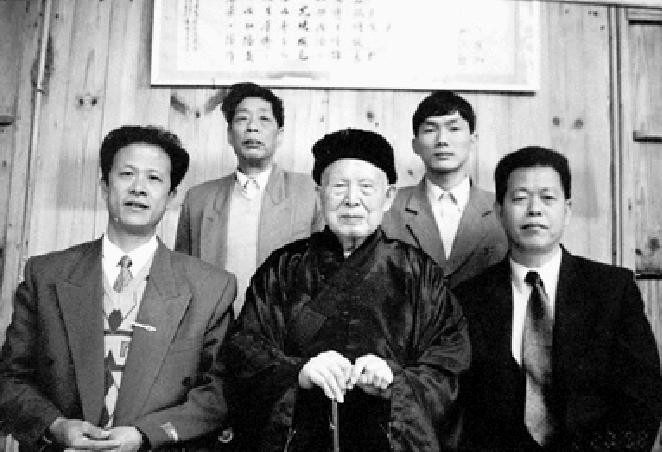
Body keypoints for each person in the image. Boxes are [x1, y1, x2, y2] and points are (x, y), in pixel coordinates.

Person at [222, 128, 470, 451]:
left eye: (366, 187)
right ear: (319, 194)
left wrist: (395, 381)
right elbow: (244, 350)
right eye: (339, 186)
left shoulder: (419, 274)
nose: (352, 199)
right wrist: (297, 373)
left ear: (389, 197)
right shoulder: (283, 268)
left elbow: (449, 365)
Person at [0, 126, 236, 451]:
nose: (138, 188)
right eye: (127, 174)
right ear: (104, 186)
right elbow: (11, 379)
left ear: (171, 197)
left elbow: (217, 392)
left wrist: (144, 435)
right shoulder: (46, 275)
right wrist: (57, 426)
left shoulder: (210, 288)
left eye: (154, 178)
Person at [455, 146, 662, 451]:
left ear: (567, 210)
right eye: (520, 198)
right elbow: (458, 408)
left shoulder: (612, 290)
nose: (534, 210)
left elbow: (642, 398)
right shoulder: (468, 299)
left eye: (547, 198)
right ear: (499, 211)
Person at [175, 82, 321, 316]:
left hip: (284, 328)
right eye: (242, 119)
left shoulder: (310, 192)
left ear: (279, 135)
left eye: (264, 119)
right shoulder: (199, 199)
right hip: (214, 328)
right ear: (229, 135)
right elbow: (181, 278)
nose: (252, 127)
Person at [382, 90, 507, 288]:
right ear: (415, 145)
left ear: (473, 140)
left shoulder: (501, 208)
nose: (442, 140)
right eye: (430, 130)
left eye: (454, 128)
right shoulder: (387, 206)